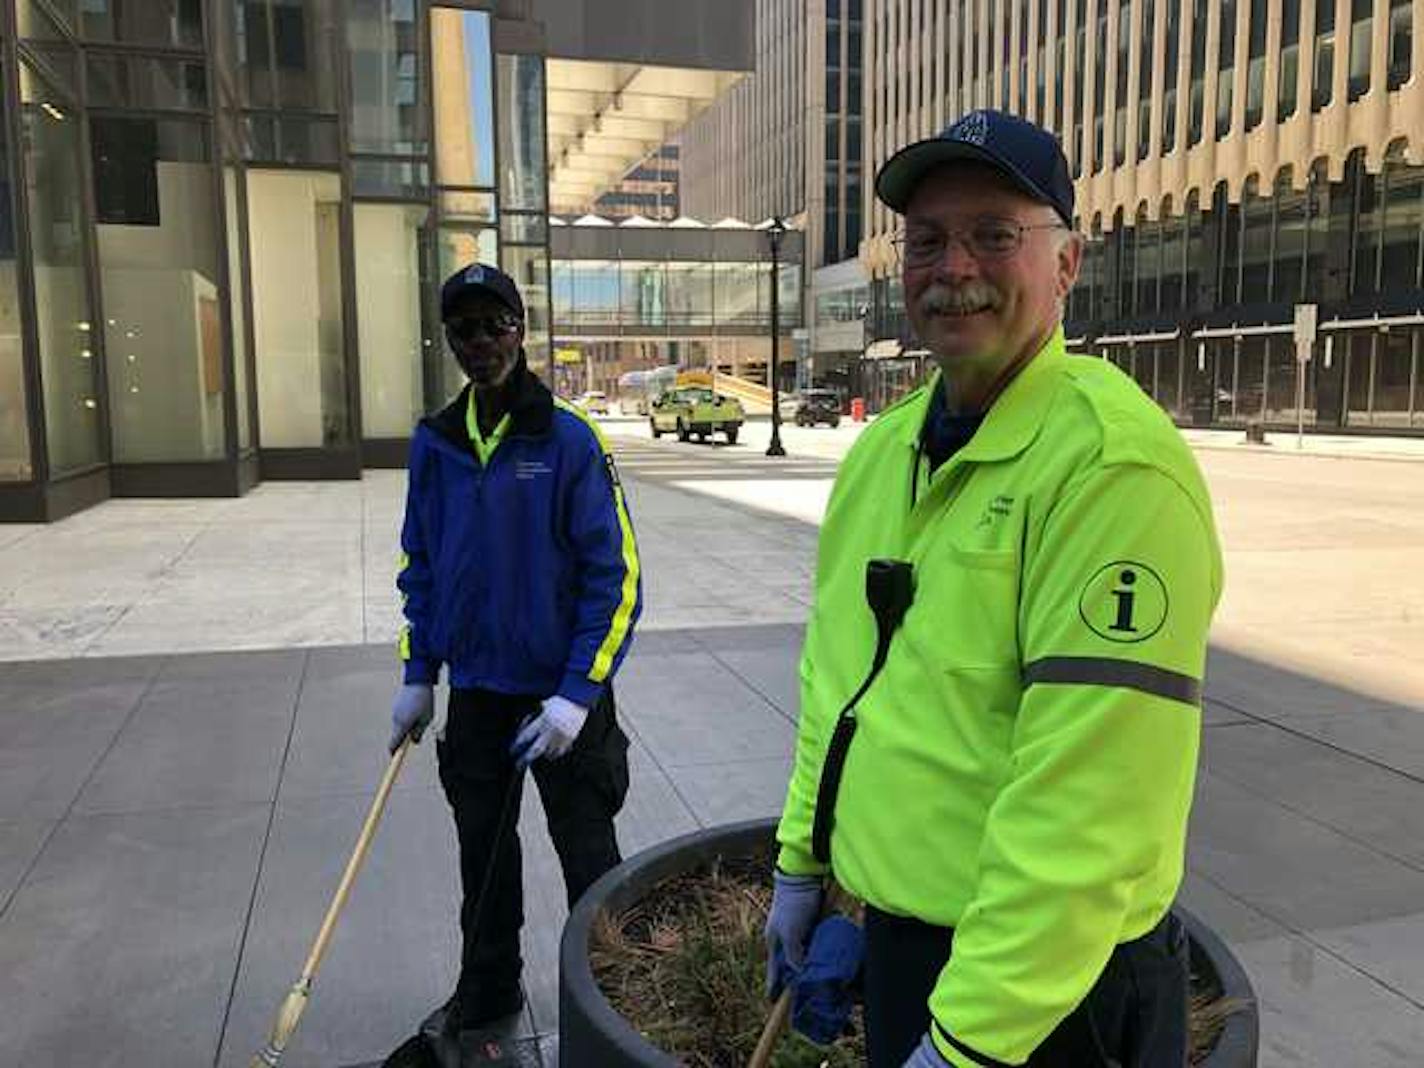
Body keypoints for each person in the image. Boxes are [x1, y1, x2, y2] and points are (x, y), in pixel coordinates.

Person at [765, 110, 1223, 1068]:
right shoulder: (882, 454)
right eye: (927, 240)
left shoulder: (1113, 473)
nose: (953, 266)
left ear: (1067, 264)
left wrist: (968, 1039)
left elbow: (1088, 812)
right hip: (911, 953)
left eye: (994, 235)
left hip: (1058, 993)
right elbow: (837, 688)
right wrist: (804, 863)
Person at [389, 262, 642, 1050]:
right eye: (463, 330)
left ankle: (618, 999)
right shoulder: (434, 444)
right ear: (450, 342)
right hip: (481, 696)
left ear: (520, 330)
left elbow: (616, 575)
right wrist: (416, 674)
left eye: (494, 325)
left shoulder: (566, 438)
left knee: (590, 859)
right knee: (484, 859)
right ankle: (489, 987)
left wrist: (575, 696)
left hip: (563, 700)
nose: (480, 343)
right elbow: (420, 563)